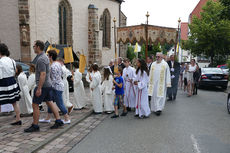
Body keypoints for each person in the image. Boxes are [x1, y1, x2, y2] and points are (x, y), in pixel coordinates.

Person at [24, 40, 63, 132]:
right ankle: (58, 120)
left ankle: (35, 125)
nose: (33, 48)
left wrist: (39, 88)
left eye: (34, 46)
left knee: (35, 105)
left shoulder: (41, 59)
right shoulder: (44, 57)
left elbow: (43, 74)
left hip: (43, 85)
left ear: (38, 47)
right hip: (48, 84)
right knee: (49, 102)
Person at [40, 50, 70, 124]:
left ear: (50, 57)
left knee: (59, 103)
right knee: (50, 101)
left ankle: (67, 118)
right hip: (57, 86)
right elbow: (62, 73)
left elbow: (54, 79)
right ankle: (48, 117)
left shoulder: (53, 66)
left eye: (48, 55)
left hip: (56, 87)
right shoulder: (58, 63)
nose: (47, 57)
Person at [0, 43, 21, 125]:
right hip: (12, 81)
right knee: (15, 102)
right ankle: (18, 119)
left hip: (3, 82)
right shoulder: (12, 60)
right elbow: (14, 72)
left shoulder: (0, 61)